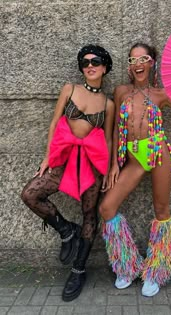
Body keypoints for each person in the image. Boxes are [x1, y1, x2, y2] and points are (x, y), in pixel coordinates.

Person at [99, 42, 171, 297]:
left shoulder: (161, 95)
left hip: (157, 153)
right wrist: (113, 165)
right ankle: (127, 266)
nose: (138, 64)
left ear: (152, 63)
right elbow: (115, 131)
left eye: (143, 59)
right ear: (130, 67)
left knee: (162, 211)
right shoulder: (121, 92)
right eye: (133, 61)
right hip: (132, 158)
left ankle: (155, 272)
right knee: (107, 207)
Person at [21, 44, 114, 301]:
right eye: (85, 63)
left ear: (105, 66)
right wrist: (46, 158)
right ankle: (66, 230)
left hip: (91, 164)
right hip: (63, 159)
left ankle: (78, 269)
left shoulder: (108, 104)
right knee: (30, 194)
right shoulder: (69, 89)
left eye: (95, 61)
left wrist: (106, 170)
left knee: (89, 215)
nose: (90, 66)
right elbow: (54, 122)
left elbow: (107, 140)